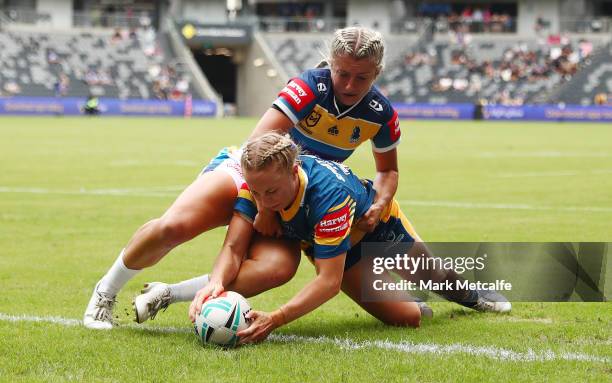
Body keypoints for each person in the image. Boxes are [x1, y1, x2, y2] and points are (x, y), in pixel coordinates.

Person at [85, 26, 410, 329]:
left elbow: (388, 170)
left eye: (361, 77)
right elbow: (256, 145)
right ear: (332, 65)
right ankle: (105, 292)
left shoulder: (380, 112)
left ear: (376, 74)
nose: (350, 85)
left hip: (294, 194)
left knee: (278, 268)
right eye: (343, 74)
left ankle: (169, 293)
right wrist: (265, 207)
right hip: (250, 171)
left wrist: (381, 202)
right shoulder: (311, 86)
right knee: (175, 226)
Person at [186, 133, 510, 343]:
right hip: (343, 251)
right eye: (256, 191)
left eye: (271, 191)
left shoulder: (329, 196)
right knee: (408, 319)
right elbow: (233, 246)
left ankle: (470, 294)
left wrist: (277, 318)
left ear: (293, 170)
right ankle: (404, 300)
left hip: (380, 228)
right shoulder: (257, 185)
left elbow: (328, 282)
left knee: (435, 276)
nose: (262, 199)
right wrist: (217, 282)